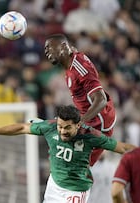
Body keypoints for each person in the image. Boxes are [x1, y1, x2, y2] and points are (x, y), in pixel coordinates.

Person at [0, 105, 134, 203]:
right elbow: (22, 127)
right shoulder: (50, 127)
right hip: (54, 185)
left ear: (78, 125)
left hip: (76, 189)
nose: (62, 131)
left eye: (67, 128)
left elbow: (123, 148)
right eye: (60, 126)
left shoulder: (91, 136)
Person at [44, 33, 116, 166]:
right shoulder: (71, 64)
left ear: (64, 46)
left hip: (98, 123)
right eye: (45, 49)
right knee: (67, 160)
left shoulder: (79, 68)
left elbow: (101, 100)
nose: (46, 51)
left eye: (49, 47)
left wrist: (79, 122)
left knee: (77, 167)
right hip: (89, 120)